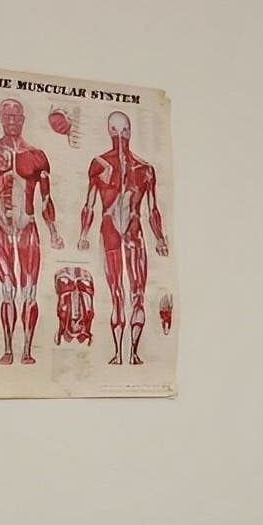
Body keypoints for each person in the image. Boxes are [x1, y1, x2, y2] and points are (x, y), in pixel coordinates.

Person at [0, 98, 63, 366]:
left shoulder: (37, 155)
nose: (11, 121)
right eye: (7, 116)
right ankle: (8, 349)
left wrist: (53, 232)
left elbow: (46, 199)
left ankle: (27, 350)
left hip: (28, 227)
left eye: (16, 116)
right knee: (8, 289)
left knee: (29, 291)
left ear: (23, 119)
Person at [78, 111, 170, 366]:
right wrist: (84, 234)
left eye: (124, 130)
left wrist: (160, 238)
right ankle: (119, 353)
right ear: (110, 131)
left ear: (130, 132)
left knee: (137, 293)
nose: (120, 135)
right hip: (110, 232)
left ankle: (134, 353)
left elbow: (152, 209)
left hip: (134, 232)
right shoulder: (98, 164)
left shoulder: (145, 169)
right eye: (115, 130)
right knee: (117, 293)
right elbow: (89, 204)